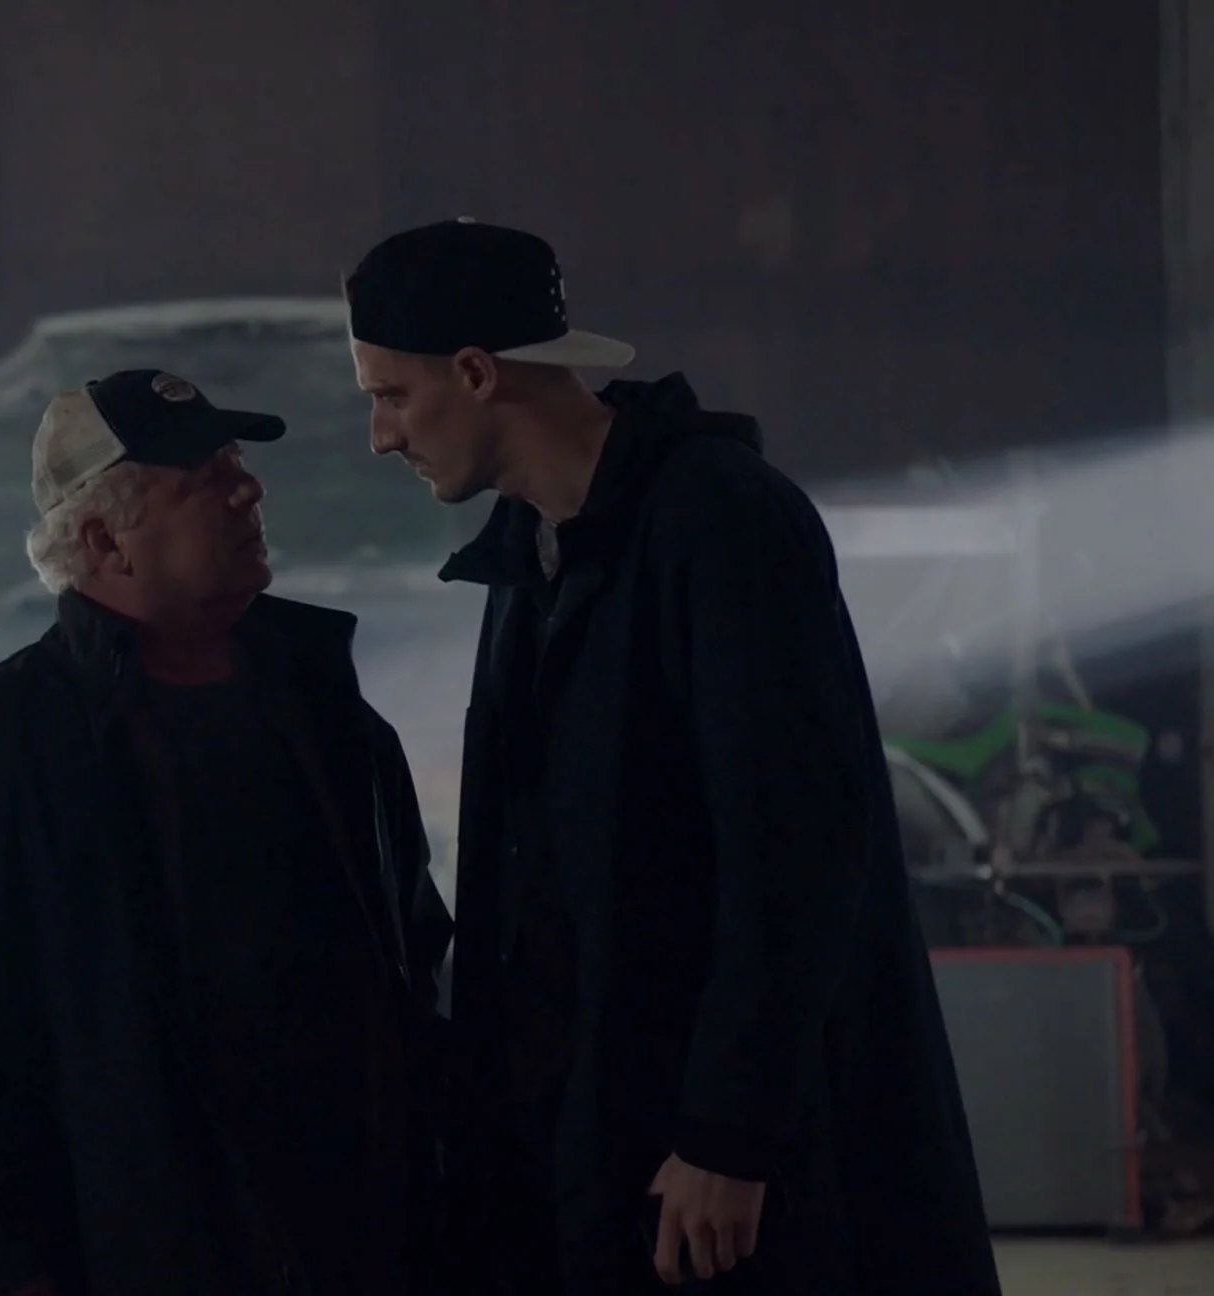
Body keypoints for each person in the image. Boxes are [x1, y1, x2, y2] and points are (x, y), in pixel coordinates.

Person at [343, 219, 1002, 1295]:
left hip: (720, 1161)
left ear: (474, 372)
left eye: (391, 395)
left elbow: (797, 843)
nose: (379, 435)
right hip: (600, 1135)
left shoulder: (719, 523)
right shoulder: (532, 554)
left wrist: (729, 1135)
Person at [0, 369, 454, 1296]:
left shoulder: (328, 714)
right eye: (203, 481)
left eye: (237, 466)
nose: (248, 490)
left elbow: (417, 966)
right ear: (106, 541)